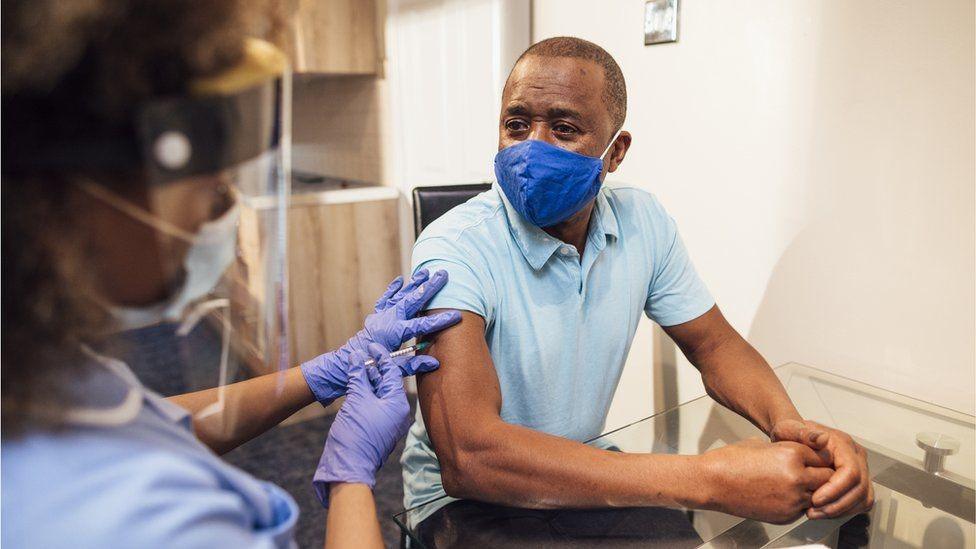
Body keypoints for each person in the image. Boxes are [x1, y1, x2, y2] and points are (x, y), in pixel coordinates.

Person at [1, 1, 458, 547]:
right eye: (198, 163)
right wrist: (351, 477)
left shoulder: (41, 372)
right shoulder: (148, 523)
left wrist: (325, 371)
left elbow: (156, 422)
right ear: (72, 191)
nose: (221, 200)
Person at [401, 36, 874, 538]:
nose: (532, 147)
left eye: (563, 128)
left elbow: (713, 344)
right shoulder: (453, 246)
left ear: (615, 151)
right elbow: (470, 457)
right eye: (516, 124)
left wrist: (789, 428)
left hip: (582, 463)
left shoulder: (641, 219)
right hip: (461, 500)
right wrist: (708, 479)